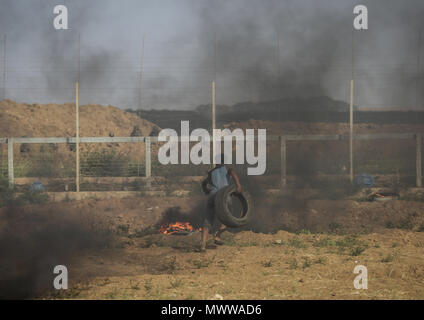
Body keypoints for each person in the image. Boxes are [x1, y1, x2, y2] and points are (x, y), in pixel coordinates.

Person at [201, 154, 242, 251]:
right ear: (224, 161)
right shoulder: (227, 168)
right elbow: (233, 172)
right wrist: (238, 185)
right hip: (223, 195)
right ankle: (217, 235)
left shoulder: (211, 172)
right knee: (229, 217)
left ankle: (203, 244)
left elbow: (204, 183)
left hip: (212, 196)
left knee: (208, 220)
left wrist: (206, 191)